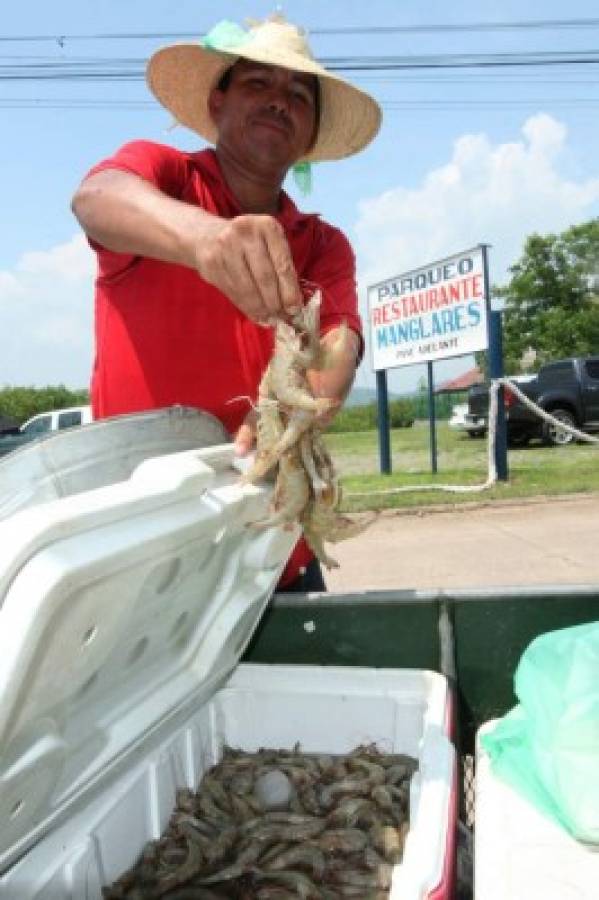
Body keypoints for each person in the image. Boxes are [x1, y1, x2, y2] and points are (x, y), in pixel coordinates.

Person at [71, 15, 381, 591]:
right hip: (143, 544)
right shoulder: (164, 177)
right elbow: (96, 197)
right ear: (218, 101)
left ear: (311, 134)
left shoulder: (323, 244)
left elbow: (341, 337)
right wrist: (202, 237)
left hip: (273, 541)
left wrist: (308, 400)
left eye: (297, 94)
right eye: (256, 84)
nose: (278, 102)